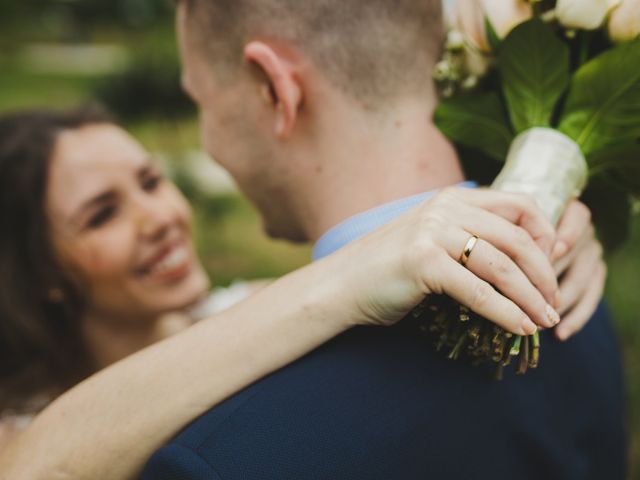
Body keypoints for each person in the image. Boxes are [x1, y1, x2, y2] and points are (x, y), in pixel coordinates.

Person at [141, 0, 626, 479]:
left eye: (199, 100)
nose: (208, 138)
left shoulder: (225, 455)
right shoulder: (574, 289)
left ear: (274, 89)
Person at [0, 108, 570, 479]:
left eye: (151, 182)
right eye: (102, 215)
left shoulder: (253, 303)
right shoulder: (19, 425)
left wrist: (544, 217)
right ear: (42, 271)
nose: (158, 218)